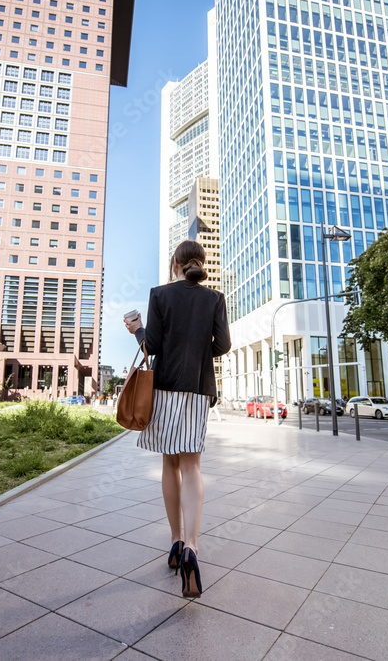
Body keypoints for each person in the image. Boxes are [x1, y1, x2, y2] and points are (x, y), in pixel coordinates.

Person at [124, 240, 230, 599]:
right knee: (193, 468)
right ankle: (193, 548)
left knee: (170, 466)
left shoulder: (159, 295)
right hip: (198, 390)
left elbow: (150, 345)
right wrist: (200, 347)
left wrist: (137, 330)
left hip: (165, 389)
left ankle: (175, 541)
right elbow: (224, 345)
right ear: (201, 264)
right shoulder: (215, 299)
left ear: (175, 264)